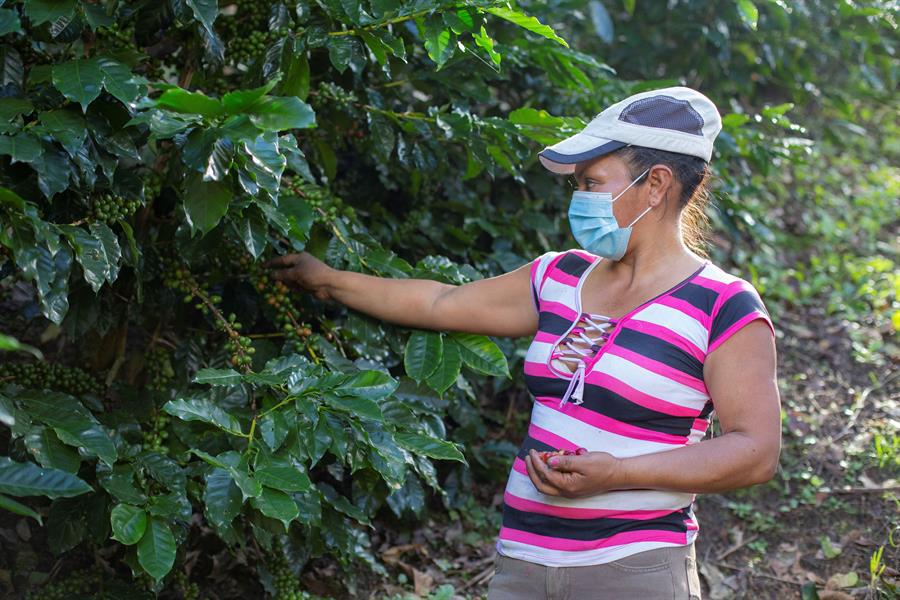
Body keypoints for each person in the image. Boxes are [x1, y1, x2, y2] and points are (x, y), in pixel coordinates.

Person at [270, 87, 781, 600]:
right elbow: (441, 303)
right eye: (578, 186)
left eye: (593, 183)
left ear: (656, 185)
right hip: (522, 563)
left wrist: (618, 474)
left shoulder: (723, 304)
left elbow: (755, 451)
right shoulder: (560, 276)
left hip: (634, 570)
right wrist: (329, 280)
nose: (580, 199)